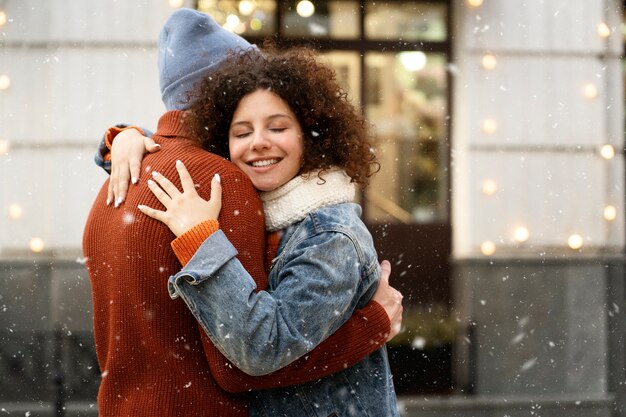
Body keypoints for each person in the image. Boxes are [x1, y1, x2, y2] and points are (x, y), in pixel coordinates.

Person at [83, 8, 402, 417]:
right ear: (220, 117)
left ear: (311, 131)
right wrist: (372, 325)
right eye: (241, 129)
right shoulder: (220, 182)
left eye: (278, 126)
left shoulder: (120, 181)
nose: (259, 143)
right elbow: (244, 364)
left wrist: (124, 138)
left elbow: (256, 347)